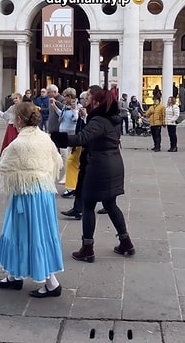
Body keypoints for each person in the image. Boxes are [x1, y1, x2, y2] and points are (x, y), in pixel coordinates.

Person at [0, 101, 65, 298]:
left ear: (19, 120)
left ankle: (51, 283)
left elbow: (0, 173)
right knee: (29, 233)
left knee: (30, 234)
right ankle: (14, 276)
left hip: (27, 196)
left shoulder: (17, 144)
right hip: (43, 193)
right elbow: (57, 160)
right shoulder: (44, 137)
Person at [50, 89, 135, 263]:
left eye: (90, 98)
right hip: (114, 162)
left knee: (88, 205)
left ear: (97, 102)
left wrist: (58, 138)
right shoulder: (112, 119)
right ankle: (126, 242)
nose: (87, 100)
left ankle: (87, 248)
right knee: (111, 204)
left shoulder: (99, 120)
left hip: (99, 166)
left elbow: (83, 137)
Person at [60, 86, 108, 218]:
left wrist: (85, 116)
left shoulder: (98, 111)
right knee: (82, 180)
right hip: (85, 148)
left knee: (97, 180)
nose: (83, 100)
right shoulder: (85, 109)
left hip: (94, 151)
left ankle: (108, 204)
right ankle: (78, 208)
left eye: (86, 97)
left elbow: (93, 130)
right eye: (83, 98)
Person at [53, 88, 79, 185]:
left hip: (71, 132)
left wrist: (74, 110)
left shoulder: (77, 106)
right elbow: (62, 115)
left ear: (69, 96)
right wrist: (54, 107)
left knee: (70, 155)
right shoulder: (65, 107)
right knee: (64, 155)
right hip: (62, 131)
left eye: (65, 96)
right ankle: (66, 174)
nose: (63, 98)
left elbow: (75, 119)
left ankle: (69, 175)